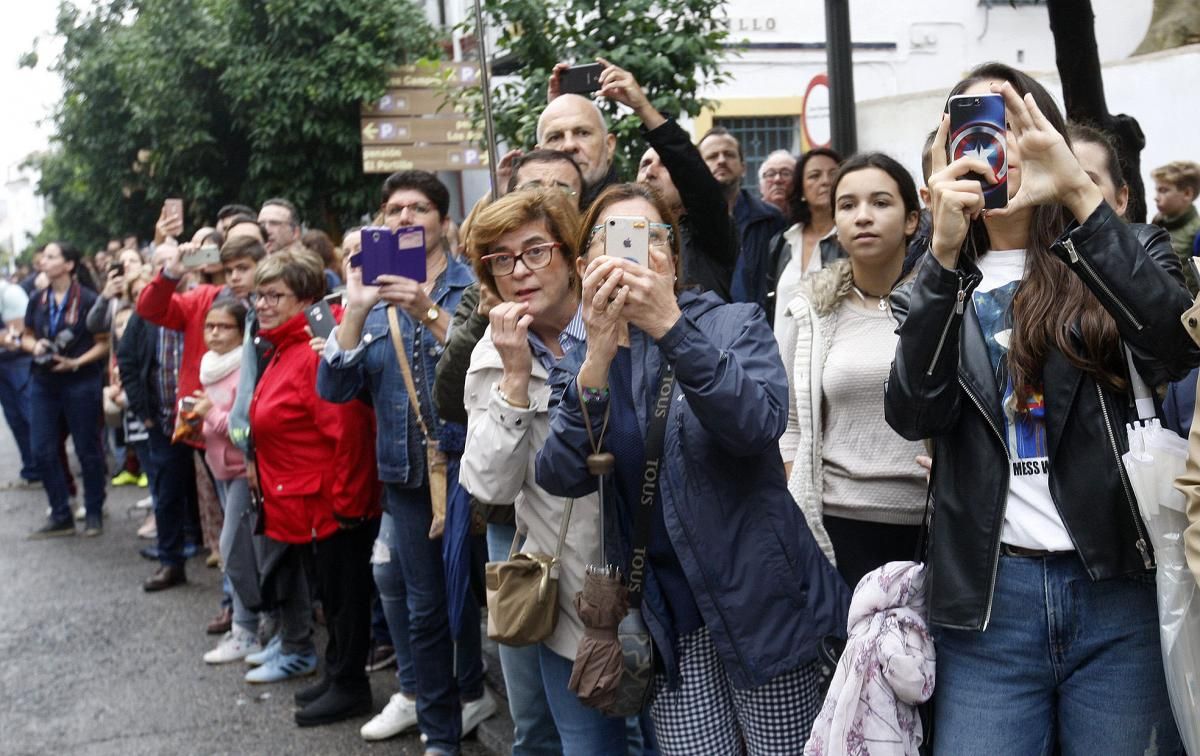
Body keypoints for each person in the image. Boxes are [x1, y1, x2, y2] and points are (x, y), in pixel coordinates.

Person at [886, 62, 1195, 754]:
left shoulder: (1124, 247)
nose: (991, 149)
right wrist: (939, 254)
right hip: (993, 601)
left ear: (1042, 134)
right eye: (972, 129)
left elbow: (1174, 346)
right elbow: (914, 413)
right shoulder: (930, 281)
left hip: (1116, 589)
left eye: (1009, 128)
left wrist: (1081, 195)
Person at [536, 182, 850, 754]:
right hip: (668, 624)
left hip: (761, 605)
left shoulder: (732, 323)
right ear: (585, 267)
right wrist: (600, 358)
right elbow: (561, 473)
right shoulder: (584, 358)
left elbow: (758, 424)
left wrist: (671, 329)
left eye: (649, 237)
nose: (632, 253)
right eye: (614, 239)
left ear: (673, 259)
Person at [319, 170, 492, 755]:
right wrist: (353, 308)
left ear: (443, 222)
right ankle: (441, 736)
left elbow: (485, 369)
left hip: (479, 469)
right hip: (408, 476)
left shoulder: (474, 284)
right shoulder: (369, 297)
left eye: (419, 208)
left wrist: (426, 309)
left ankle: (483, 695)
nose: (404, 218)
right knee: (426, 611)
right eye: (394, 209)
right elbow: (334, 390)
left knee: (487, 594)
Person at [461, 189, 631, 754]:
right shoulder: (494, 353)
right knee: (587, 745)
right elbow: (488, 486)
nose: (520, 271)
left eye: (535, 251)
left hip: (658, 575)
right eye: (501, 259)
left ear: (571, 255)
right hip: (576, 597)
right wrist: (513, 380)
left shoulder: (626, 315)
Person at [775, 152, 928, 589]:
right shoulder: (811, 311)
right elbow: (790, 424)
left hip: (934, 522)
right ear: (835, 226)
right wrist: (798, 492)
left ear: (912, 219)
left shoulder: (945, 303)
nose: (863, 217)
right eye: (847, 206)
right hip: (838, 527)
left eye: (881, 203)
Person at [242, 250, 381, 727]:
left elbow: (348, 431)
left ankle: (350, 686)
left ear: (305, 299)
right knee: (332, 598)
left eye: (274, 295)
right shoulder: (284, 344)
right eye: (259, 295)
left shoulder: (310, 349)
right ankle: (337, 672)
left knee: (345, 600)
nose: (262, 304)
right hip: (307, 503)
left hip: (332, 505)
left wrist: (348, 505)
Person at [593, 59, 739, 301]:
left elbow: (691, 171)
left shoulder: (711, 236)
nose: (651, 171)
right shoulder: (614, 231)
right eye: (645, 164)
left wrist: (642, 107)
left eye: (665, 165)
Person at [22, 242, 109, 539]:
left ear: (69, 264)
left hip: (80, 379)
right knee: (42, 448)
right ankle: (60, 512)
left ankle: (94, 510)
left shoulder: (87, 299)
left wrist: (75, 362)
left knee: (87, 449)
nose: (43, 261)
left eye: (50, 256)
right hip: (44, 381)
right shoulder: (37, 299)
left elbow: (103, 342)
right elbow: (26, 336)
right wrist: (36, 346)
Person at [193, 298, 261, 664]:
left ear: (241, 331)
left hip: (241, 471)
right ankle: (253, 623)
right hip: (217, 467)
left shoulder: (243, 370)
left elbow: (244, 429)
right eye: (209, 326)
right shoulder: (209, 366)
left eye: (224, 327)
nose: (215, 333)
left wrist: (213, 415)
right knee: (239, 550)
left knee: (232, 548)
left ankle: (247, 628)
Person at [732, 148, 845, 326]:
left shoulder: (850, 240)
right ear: (800, 189)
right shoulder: (782, 242)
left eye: (833, 174)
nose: (825, 181)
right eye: (815, 175)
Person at [699, 128, 789, 289]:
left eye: (729, 154)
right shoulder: (687, 223)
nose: (721, 160)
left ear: (743, 167)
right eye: (712, 156)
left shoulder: (771, 219)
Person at [537, 85, 619, 207]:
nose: (569, 146)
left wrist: (642, 108)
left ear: (609, 145)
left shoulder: (638, 211)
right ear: (539, 156)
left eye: (583, 133)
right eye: (555, 137)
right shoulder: (523, 220)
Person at [0, 276, 37, 485]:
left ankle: (45, 465)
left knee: (30, 415)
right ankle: (31, 468)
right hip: (4, 364)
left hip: (19, 362)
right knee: (14, 418)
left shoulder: (10, 293)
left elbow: (19, 333)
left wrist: (7, 337)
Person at [1151, 160, 1200, 294]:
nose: (1156, 197)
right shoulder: (1157, 223)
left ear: (1187, 194)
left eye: (1164, 190)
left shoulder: (1197, 233)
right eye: (1157, 190)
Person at [758, 150, 797, 218]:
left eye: (785, 174)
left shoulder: (809, 218)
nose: (777, 179)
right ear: (761, 187)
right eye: (771, 174)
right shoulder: (751, 218)